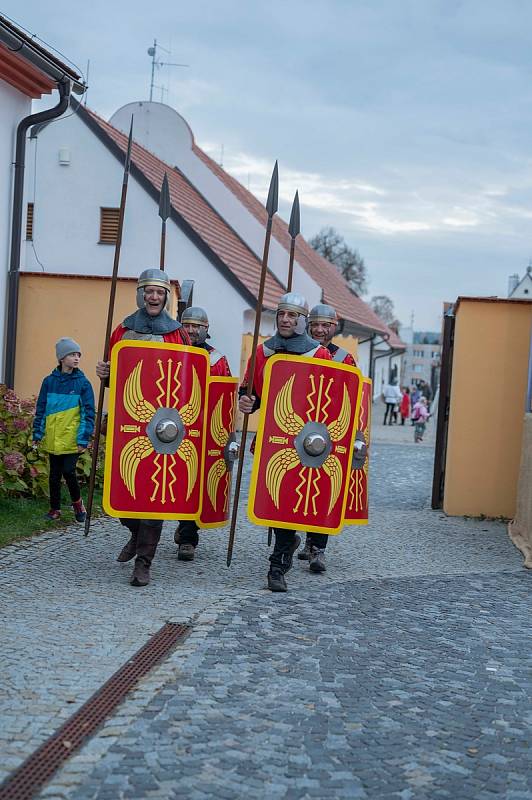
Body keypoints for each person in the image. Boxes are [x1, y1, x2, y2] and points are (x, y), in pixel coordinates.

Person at [96, 269, 190, 587]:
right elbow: (113, 375)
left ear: (166, 297)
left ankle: (144, 562)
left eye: (159, 292)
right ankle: (135, 534)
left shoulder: (177, 333)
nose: (153, 297)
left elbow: (189, 379)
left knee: (154, 498)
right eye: (148, 291)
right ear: (140, 294)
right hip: (130, 423)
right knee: (123, 491)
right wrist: (103, 372)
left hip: (164, 426)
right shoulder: (123, 330)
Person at [239, 292, 331, 592]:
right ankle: (285, 548)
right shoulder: (264, 353)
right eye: (282, 315)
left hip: (306, 442)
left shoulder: (318, 355)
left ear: (302, 320)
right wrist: (247, 402)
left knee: (290, 502)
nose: (286, 320)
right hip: (273, 439)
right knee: (278, 500)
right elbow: (250, 393)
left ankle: (276, 566)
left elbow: (329, 401)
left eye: (292, 316)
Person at [296, 302, 357, 570]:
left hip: (330, 433)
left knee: (324, 489)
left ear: (334, 327)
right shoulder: (298, 351)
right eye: (315, 325)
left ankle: (317, 547)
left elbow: (352, 399)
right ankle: (292, 540)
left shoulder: (344, 358)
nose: (320, 330)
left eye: (325, 325)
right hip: (297, 429)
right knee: (295, 488)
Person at [174, 306, 231, 561]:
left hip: (202, 430)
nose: (191, 330)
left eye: (197, 326)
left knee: (194, 482)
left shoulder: (217, 360)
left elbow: (224, 399)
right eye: (187, 325)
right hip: (170, 426)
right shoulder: (169, 353)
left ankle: (188, 537)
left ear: (206, 330)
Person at [33, 337, 95, 523]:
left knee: (68, 471)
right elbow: (41, 408)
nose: (76, 358)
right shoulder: (49, 382)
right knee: (53, 475)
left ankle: (78, 504)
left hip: (72, 439)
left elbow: (88, 413)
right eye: (72, 354)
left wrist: (83, 438)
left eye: (78, 355)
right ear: (61, 358)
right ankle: (55, 509)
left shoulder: (83, 384)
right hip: (53, 437)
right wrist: (38, 433)